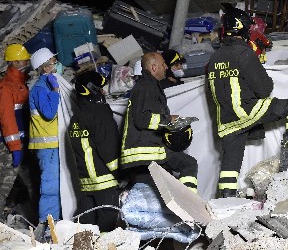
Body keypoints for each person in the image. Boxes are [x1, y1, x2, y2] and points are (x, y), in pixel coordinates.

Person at [206, 8, 288, 197]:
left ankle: (226, 201)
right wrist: (257, 63)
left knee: (230, 167)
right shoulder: (243, 53)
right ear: (242, 28)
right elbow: (265, 89)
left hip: (226, 122)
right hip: (246, 112)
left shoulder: (214, 58)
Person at [119, 52, 198, 193]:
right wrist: (169, 119)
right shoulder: (147, 86)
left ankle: (187, 202)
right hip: (145, 155)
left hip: (149, 154)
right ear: (154, 67)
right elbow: (142, 119)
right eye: (163, 64)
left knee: (183, 167)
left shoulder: (148, 86)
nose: (166, 67)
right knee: (188, 164)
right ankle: (188, 202)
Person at [68, 71, 120, 232]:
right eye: (101, 88)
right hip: (105, 182)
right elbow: (109, 149)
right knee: (107, 226)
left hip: (86, 184)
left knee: (86, 228)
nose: (104, 92)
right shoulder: (100, 114)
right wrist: (121, 174)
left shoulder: (75, 119)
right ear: (92, 89)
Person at [28, 47, 61, 233]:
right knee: (50, 186)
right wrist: (55, 90)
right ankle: (48, 228)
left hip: (53, 145)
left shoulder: (47, 86)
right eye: (54, 62)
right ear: (45, 67)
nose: (56, 65)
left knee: (55, 184)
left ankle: (54, 222)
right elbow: (49, 114)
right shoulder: (40, 89)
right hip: (46, 146)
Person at [0, 44, 31, 219]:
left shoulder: (19, 83)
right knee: (3, 187)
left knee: (31, 183)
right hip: (10, 147)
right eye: (25, 58)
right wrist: (14, 148)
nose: (27, 61)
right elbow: (7, 119)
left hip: (22, 143)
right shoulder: (6, 87)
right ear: (16, 61)